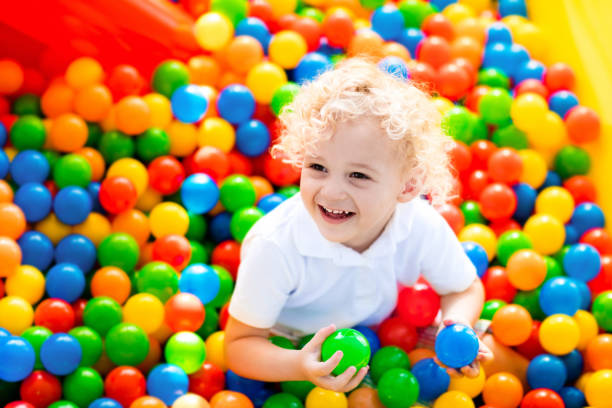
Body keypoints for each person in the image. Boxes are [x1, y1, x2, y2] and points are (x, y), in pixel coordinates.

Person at [224, 57, 495, 394]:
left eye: (358, 175)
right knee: (363, 399)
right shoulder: (276, 245)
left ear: (408, 186)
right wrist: (300, 365)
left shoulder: (419, 223)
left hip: (389, 333)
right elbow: (239, 345)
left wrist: (457, 325)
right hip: (295, 349)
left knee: (494, 355)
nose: (332, 191)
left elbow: (463, 288)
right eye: (318, 167)